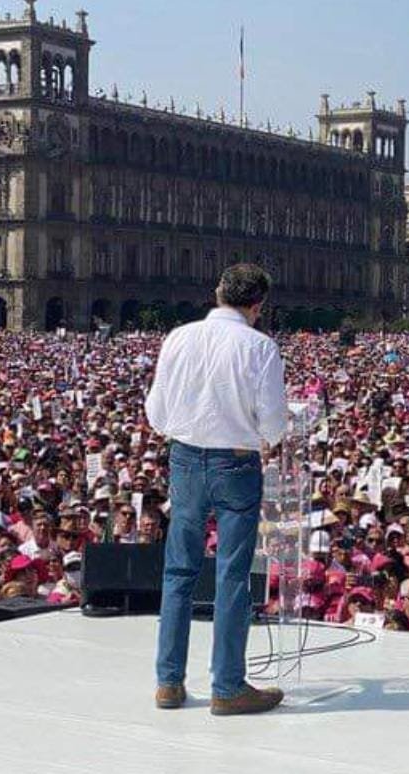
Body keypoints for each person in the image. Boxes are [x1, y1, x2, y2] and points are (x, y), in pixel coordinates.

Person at [146, 264, 287, 716]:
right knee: (231, 574)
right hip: (236, 462)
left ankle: (168, 683)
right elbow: (273, 422)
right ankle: (227, 687)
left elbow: (157, 412)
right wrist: (265, 434)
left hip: (185, 458)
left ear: (218, 292)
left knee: (178, 572)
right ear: (257, 305)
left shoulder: (178, 337)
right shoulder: (260, 346)